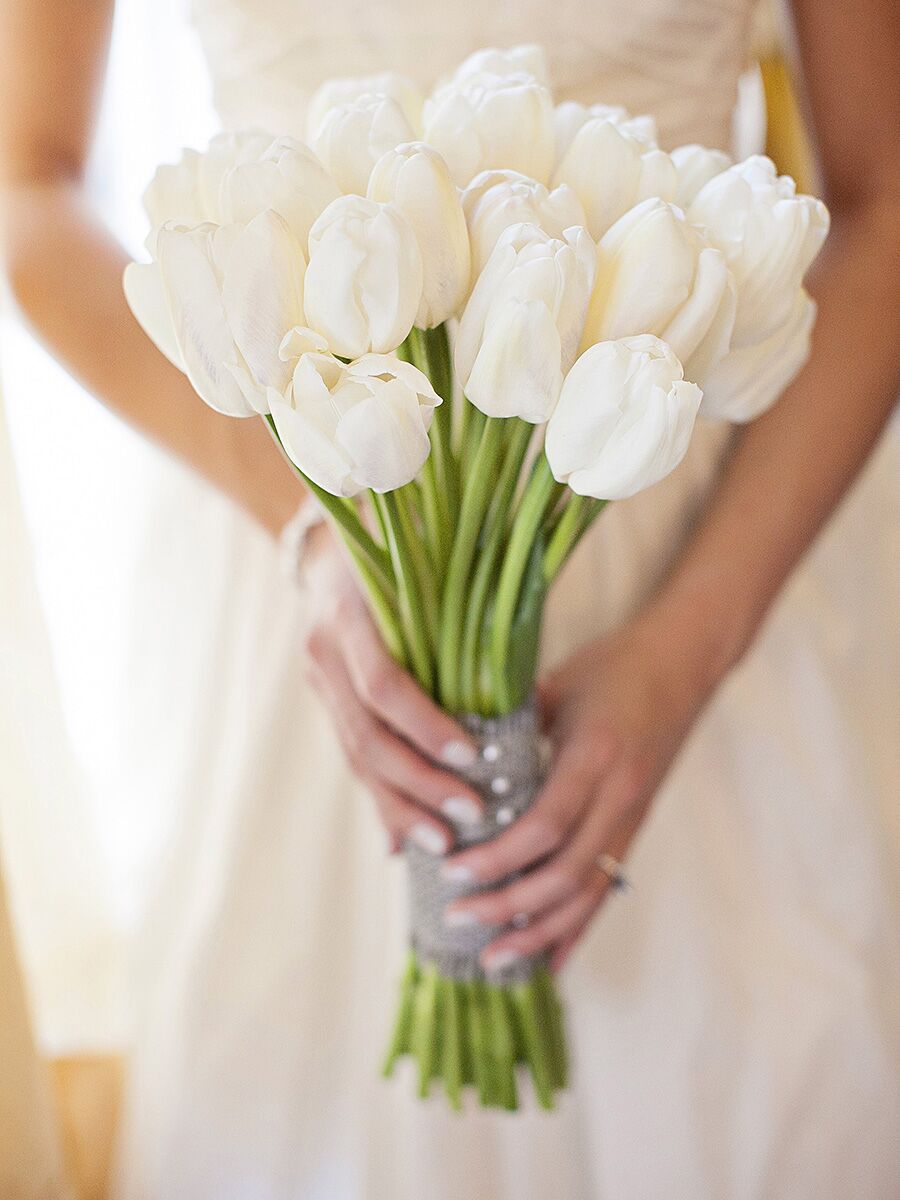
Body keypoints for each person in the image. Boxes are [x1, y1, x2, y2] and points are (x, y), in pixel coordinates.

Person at [1, 1, 898, 1196]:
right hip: (300, 542)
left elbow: (885, 194)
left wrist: (684, 656)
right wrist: (316, 528)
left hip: (693, 512)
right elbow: (26, 185)